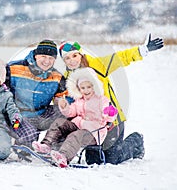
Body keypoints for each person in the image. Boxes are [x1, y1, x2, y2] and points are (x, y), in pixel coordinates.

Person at [57, 34, 164, 165]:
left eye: (74, 55)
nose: (72, 60)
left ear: (80, 54)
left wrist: (143, 49)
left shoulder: (97, 65)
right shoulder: (68, 77)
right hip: (91, 125)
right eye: (67, 58)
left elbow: (120, 58)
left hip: (112, 120)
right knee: (93, 161)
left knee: (113, 159)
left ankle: (136, 141)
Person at [0, 40, 68, 133]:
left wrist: (63, 102)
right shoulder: (15, 68)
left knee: (65, 114)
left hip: (40, 114)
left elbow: (65, 97)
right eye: (43, 56)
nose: (47, 61)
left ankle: (55, 146)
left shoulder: (57, 77)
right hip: (15, 113)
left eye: (51, 58)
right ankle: (4, 136)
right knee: (28, 139)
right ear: (36, 55)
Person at [32, 68, 118, 167]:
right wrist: (65, 107)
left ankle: (64, 156)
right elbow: (71, 112)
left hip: (94, 132)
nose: (86, 90)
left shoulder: (101, 100)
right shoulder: (80, 100)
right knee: (59, 122)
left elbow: (108, 112)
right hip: (79, 125)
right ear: (78, 89)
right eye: (82, 88)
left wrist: (109, 112)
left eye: (88, 87)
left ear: (94, 86)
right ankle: (46, 145)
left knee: (76, 135)